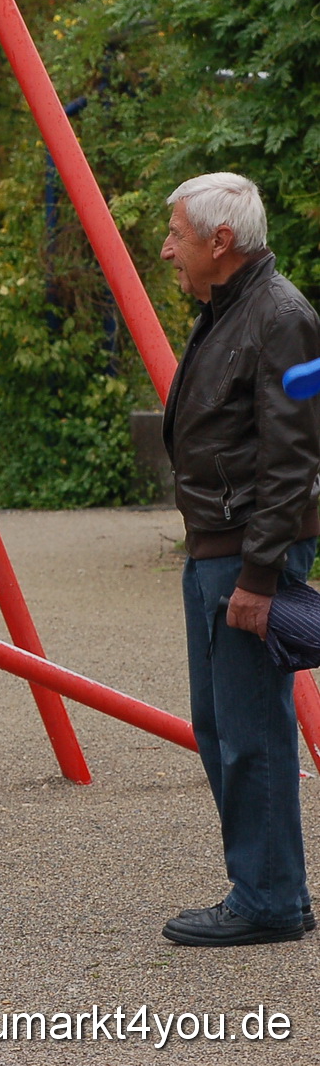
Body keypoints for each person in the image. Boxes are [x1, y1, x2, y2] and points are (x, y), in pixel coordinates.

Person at [159, 173, 320, 946]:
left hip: (249, 553)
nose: (166, 249)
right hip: (217, 545)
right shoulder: (229, 307)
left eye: (178, 235)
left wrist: (259, 578)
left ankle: (269, 898)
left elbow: (295, 457)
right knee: (219, 722)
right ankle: (269, 886)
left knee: (250, 727)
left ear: (221, 241)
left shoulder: (281, 316)